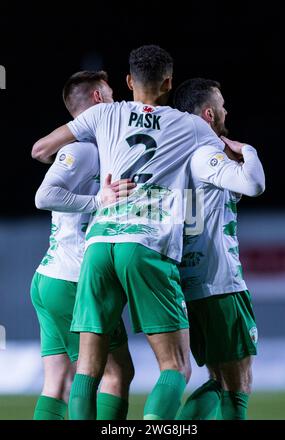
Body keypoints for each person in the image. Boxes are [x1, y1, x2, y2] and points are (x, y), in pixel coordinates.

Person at [32, 44, 226, 420]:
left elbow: (42, 150)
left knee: (86, 372)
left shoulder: (104, 115)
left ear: (127, 81)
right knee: (174, 367)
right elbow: (235, 168)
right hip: (146, 244)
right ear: (169, 81)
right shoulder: (190, 126)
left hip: (99, 244)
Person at [31, 70, 135, 420]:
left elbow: (39, 150)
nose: (117, 101)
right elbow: (43, 196)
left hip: (50, 278)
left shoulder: (87, 148)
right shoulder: (84, 149)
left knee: (58, 382)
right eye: (111, 94)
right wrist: (98, 202)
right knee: (115, 373)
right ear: (96, 100)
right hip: (74, 280)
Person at [173, 77, 265, 419]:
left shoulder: (174, 156)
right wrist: (248, 152)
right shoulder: (205, 153)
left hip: (191, 284)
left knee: (218, 379)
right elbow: (255, 183)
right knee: (238, 383)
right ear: (209, 114)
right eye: (222, 104)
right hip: (220, 281)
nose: (227, 109)